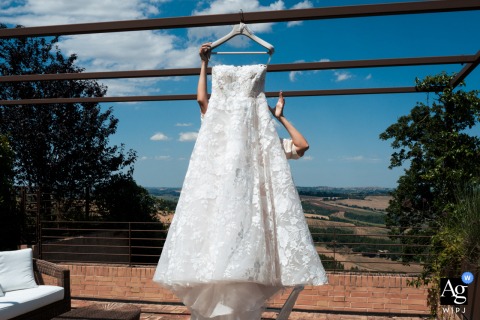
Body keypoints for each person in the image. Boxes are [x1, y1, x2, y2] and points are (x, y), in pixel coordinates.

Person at [153, 43, 327, 320]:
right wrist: (204, 64)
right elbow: (202, 101)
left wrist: (278, 117)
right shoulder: (236, 138)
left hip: (240, 228)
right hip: (238, 228)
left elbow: (301, 145)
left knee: (228, 283)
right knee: (235, 288)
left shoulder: (263, 144)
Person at [197, 42, 309, 160]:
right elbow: (303, 145)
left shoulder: (263, 142)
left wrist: (204, 63)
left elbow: (302, 145)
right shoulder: (264, 144)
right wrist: (280, 117)